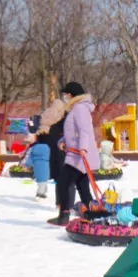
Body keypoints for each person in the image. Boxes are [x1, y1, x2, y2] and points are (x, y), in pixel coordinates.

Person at [47, 82, 100, 227]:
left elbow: (84, 131)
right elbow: (72, 132)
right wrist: (62, 141)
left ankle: (64, 216)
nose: (64, 97)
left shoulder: (80, 109)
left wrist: (83, 148)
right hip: (76, 154)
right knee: (83, 187)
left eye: (65, 94)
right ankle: (91, 214)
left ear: (70, 95)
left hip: (79, 156)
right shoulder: (76, 109)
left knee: (64, 183)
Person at [37, 95, 68, 208]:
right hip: (59, 150)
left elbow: (39, 136)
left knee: (53, 177)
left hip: (46, 151)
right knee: (62, 178)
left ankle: (46, 195)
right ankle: (61, 203)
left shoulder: (43, 116)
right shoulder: (61, 118)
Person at [23, 134, 51, 201]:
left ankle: (41, 193)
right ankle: (41, 193)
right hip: (46, 164)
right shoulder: (48, 147)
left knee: (40, 181)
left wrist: (27, 164)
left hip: (37, 165)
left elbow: (30, 157)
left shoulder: (34, 147)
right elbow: (52, 156)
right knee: (44, 180)